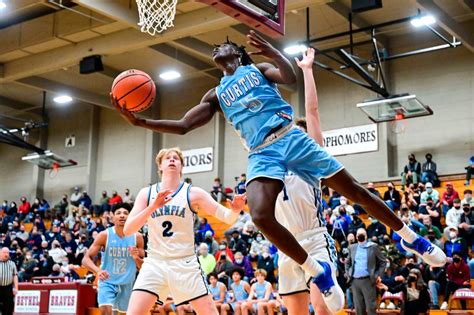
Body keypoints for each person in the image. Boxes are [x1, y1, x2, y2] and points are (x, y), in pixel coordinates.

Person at [113, 32, 446, 301]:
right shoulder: (216, 94)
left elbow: (288, 77)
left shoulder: (256, 71)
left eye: (224, 44)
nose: (217, 47)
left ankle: (408, 236)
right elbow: (184, 125)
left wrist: (274, 51)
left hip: (291, 137)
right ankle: (316, 270)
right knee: (259, 215)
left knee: (355, 191)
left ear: (238, 53)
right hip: (262, 152)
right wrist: (141, 122)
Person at [123, 148, 246, 315]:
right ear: (160, 165)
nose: (172, 160)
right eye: (168, 158)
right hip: (155, 263)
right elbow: (128, 229)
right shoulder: (147, 193)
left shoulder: (193, 192)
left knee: (209, 312)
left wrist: (236, 210)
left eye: (176, 158)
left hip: (185, 263)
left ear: (181, 166)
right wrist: (153, 206)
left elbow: (227, 217)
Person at [82, 203, 145, 315]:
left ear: (130, 216)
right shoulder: (104, 235)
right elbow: (85, 259)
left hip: (127, 283)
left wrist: (136, 258)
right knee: (106, 312)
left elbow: (143, 267)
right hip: (107, 281)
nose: (122, 216)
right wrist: (98, 271)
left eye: (125, 213)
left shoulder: (138, 237)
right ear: (112, 217)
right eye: (118, 213)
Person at [346, 228, 387, 315]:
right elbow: (347, 262)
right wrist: (348, 273)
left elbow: (383, 262)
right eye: (358, 234)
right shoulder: (352, 248)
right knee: (359, 309)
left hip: (368, 280)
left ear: (366, 236)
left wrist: (378, 275)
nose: (360, 236)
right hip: (355, 281)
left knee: (371, 308)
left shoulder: (373, 247)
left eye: (362, 234)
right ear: (356, 237)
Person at [0, 247, 18, 315]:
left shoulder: (12, 263)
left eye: (7, 252)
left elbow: (15, 276)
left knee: (8, 306)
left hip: (8, 287)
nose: (6, 254)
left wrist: (16, 288)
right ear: (0, 253)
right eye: (4, 252)